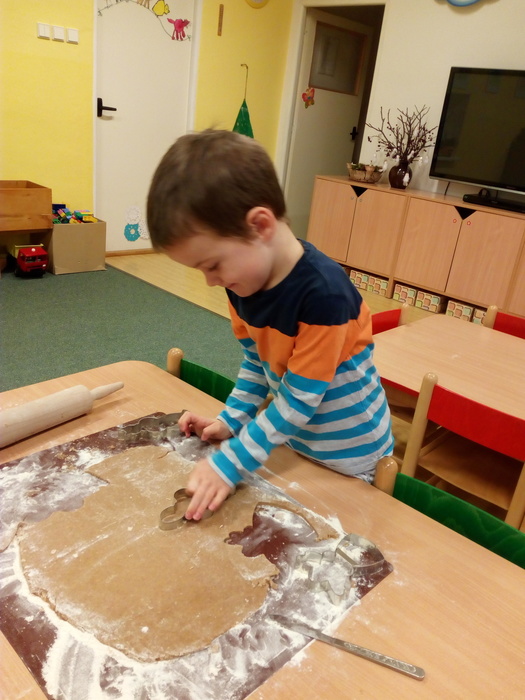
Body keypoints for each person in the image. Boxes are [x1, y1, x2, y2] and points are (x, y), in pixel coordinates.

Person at [147, 129, 393, 520]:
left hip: (351, 458)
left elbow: (298, 400)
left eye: (213, 265)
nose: (210, 281)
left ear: (260, 226)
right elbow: (257, 365)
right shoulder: (241, 284)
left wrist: (230, 462)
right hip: (295, 444)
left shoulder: (325, 295)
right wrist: (231, 420)